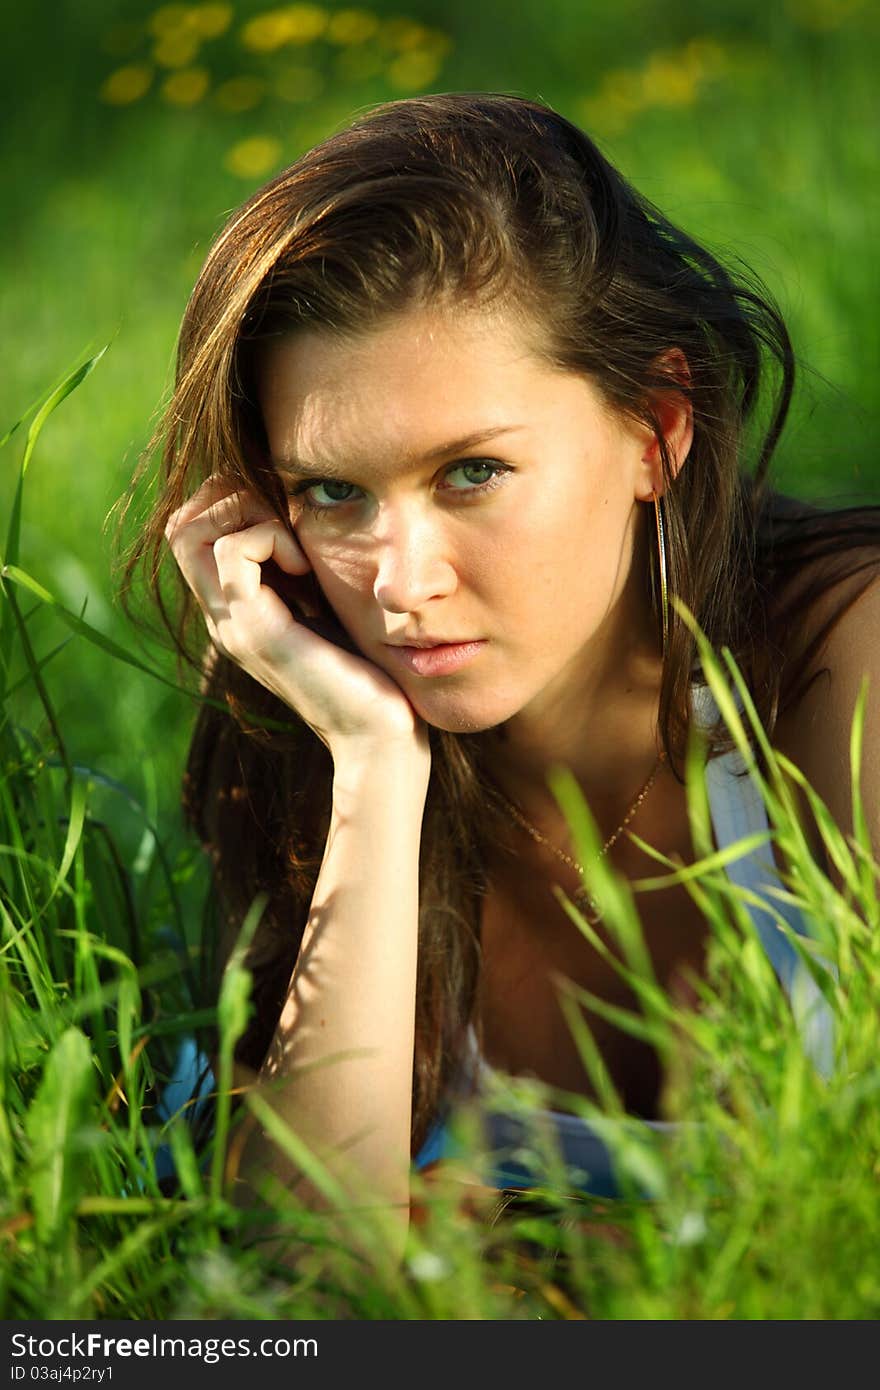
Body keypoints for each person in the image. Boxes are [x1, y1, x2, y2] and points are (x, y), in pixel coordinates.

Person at [123, 92, 880, 1258]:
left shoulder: (844, 660)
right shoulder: (316, 741)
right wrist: (374, 766)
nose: (399, 581)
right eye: (334, 492)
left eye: (471, 471)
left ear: (654, 429)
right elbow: (302, 1287)